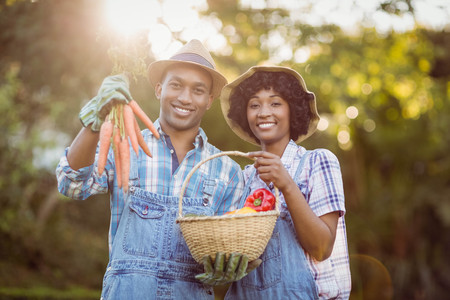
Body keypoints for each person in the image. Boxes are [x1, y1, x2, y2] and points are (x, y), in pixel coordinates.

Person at [56, 39, 252, 299]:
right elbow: (72, 185)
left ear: (209, 100)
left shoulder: (227, 171)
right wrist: (95, 122)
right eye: (176, 85)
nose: (185, 97)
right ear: (159, 89)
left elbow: (232, 247)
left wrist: (229, 266)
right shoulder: (124, 144)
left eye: (198, 90)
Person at [220, 66, 352, 299]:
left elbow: (322, 248)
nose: (263, 112)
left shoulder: (318, 162)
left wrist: (287, 185)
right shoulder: (243, 178)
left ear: (293, 110)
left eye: (275, 103)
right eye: (254, 104)